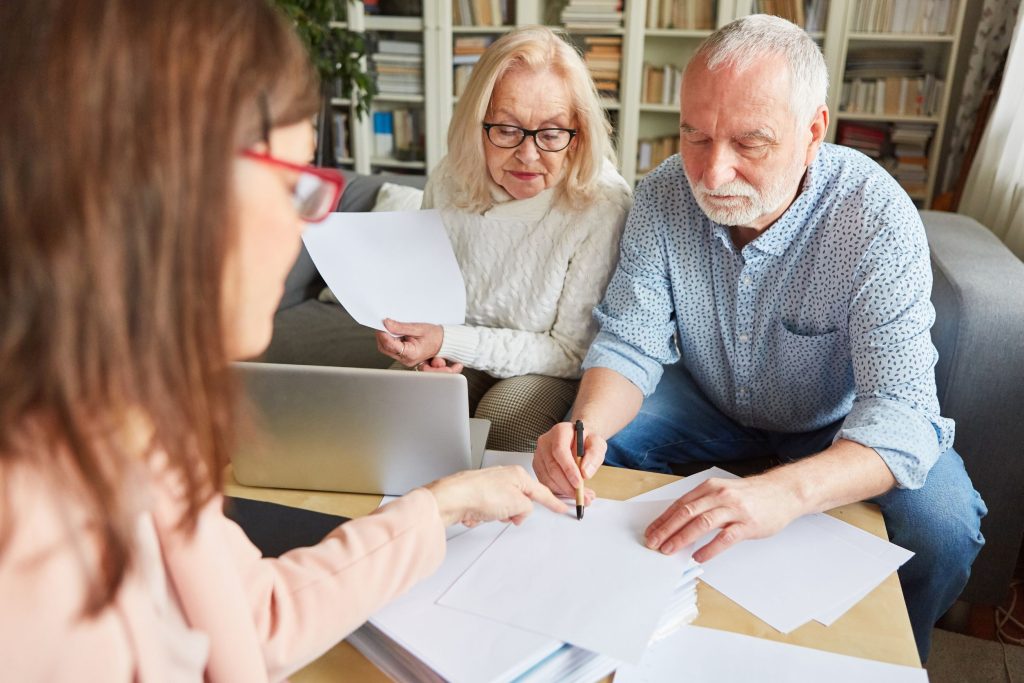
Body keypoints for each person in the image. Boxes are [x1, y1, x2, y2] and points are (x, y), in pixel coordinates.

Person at [0, 1, 565, 679]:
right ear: (160, 185)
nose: (306, 225)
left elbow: (255, 618)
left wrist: (444, 504)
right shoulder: (29, 543)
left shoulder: (136, 433)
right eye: (292, 184)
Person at [533, 15, 985, 661]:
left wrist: (785, 493)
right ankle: (610, 637)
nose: (713, 173)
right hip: (704, 400)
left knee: (944, 525)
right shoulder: (663, 194)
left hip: (837, 424)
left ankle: (887, 660)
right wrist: (585, 428)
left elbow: (902, 411)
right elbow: (631, 341)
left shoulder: (875, 216)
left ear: (812, 133)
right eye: (695, 136)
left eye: (750, 143)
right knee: (589, 459)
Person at [371, 26, 632, 451]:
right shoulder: (451, 176)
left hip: (547, 366)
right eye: (507, 130)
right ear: (477, 124)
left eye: (551, 134)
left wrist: (450, 340)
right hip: (457, 344)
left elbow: (570, 352)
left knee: (505, 420)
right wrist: (426, 344)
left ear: (578, 134)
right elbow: (428, 290)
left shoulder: (602, 203)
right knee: (394, 402)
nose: (527, 155)